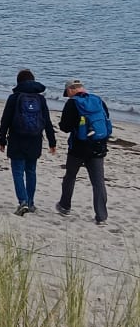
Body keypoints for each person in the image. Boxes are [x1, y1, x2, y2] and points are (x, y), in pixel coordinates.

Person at [0, 69, 57, 216]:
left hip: (17, 139)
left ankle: (22, 201)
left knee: (18, 172)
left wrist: (2, 139)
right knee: (31, 171)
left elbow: (5, 120)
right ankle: (30, 203)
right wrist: (52, 142)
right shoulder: (40, 99)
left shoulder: (14, 98)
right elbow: (47, 122)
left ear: (19, 82)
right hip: (35, 140)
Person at [56, 78, 112, 226]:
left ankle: (65, 206)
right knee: (98, 182)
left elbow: (65, 127)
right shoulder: (98, 100)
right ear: (83, 88)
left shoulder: (72, 103)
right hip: (98, 146)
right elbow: (106, 119)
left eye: (67, 93)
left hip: (78, 147)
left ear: (70, 90)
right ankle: (101, 216)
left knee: (70, 176)